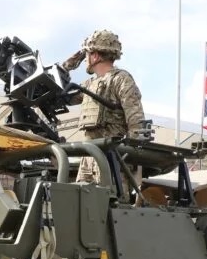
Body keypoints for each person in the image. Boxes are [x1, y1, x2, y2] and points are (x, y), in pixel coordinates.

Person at [62, 30, 146, 184]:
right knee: (80, 198)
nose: (85, 59)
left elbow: (136, 122)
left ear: (95, 56)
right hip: (89, 159)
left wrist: (129, 161)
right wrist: (66, 67)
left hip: (113, 160)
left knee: (111, 198)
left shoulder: (121, 79)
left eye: (87, 54)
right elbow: (63, 96)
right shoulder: (89, 84)